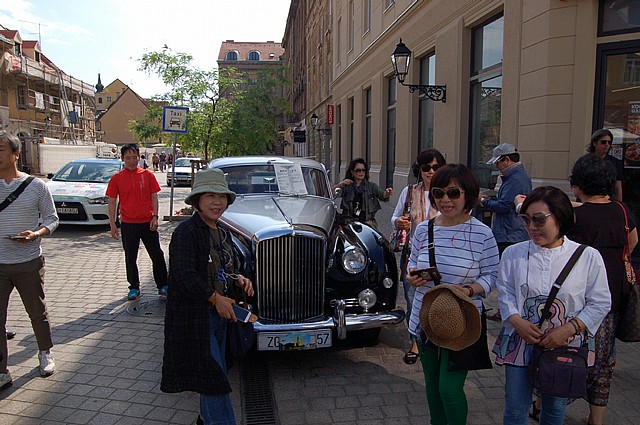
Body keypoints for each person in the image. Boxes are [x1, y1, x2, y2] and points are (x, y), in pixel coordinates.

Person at [493, 186, 611, 425]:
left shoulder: (588, 257)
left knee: (555, 409)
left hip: (564, 346)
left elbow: (600, 301)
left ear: (560, 217)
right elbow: (505, 292)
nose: (531, 227)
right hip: (519, 341)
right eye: (526, 219)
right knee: (515, 409)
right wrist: (515, 320)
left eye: (539, 219)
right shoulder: (513, 254)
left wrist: (569, 329)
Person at [406, 163, 499, 425]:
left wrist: (468, 289)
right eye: (438, 193)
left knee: (449, 389)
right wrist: (412, 277)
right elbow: (412, 263)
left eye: (453, 193)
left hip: (462, 321)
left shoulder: (482, 234)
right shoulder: (424, 229)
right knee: (432, 385)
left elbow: (492, 276)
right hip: (426, 318)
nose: (445, 200)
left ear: (468, 194)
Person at [161, 168, 254, 425]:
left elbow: (225, 266)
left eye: (221, 196)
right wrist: (214, 298)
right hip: (196, 319)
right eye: (210, 196)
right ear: (197, 200)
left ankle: (205, 418)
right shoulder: (186, 232)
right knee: (214, 378)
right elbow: (184, 274)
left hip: (220, 317)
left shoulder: (222, 231)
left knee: (213, 372)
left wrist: (239, 278)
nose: (217, 202)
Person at [568, 154, 637, 425]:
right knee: (604, 360)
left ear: (578, 185)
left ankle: (543, 404)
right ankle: (596, 420)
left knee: (569, 355)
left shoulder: (576, 217)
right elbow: (632, 241)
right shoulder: (622, 210)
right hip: (615, 292)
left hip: (581, 297)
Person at [0, 130, 58, 390]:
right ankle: (2, 370)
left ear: (16, 154)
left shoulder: (36, 186)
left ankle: (45, 352)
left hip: (28, 261)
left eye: (1, 149)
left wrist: (36, 234)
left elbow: (52, 219)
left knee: (37, 312)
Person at [391, 148, 446, 365]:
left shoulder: (448, 194)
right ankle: (415, 342)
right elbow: (395, 217)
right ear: (419, 170)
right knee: (414, 299)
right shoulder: (410, 192)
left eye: (436, 167)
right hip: (414, 257)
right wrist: (398, 222)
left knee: (439, 300)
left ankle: (437, 339)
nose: (431, 171)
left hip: (441, 258)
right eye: (426, 167)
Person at [107, 144, 168, 301]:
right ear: (122, 158)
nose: (131, 161)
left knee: (157, 255)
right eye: (128, 158)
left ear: (139, 158)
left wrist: (155, 216)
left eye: (134, 157)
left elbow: (154, 197)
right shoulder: (116, 178)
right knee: (130, 256)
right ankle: (134, 287)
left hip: (148, 222)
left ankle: (163, 285)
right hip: (128, 224)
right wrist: (113, 224)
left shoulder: (147, 175)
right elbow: (112, 201)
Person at [480, 143, 532, 255]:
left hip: (509, 235)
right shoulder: (515, 177)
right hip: (511, 233)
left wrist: (484, 201)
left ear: (507, 160)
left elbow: (503, 206)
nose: (496, 166)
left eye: (497, 163)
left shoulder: (515, 180)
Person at [334, 158, 392, 228]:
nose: (361, 172)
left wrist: (387, 193)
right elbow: (331, 194)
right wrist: (341, 184)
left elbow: (382, 195)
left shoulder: (371, 186)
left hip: (367, 223)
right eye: (358, 170)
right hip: (349, 223)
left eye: (363, 170)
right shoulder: (347, 186)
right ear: (352, 172)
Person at [589, 129, 623, 201]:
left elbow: (618, 187)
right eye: (603, 142)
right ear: (595, 143)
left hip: (608, 200)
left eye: (609, 142)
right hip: (589, 199)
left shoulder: (615, 162)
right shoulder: (585, 162)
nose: (607, 145)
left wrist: (619, 204)